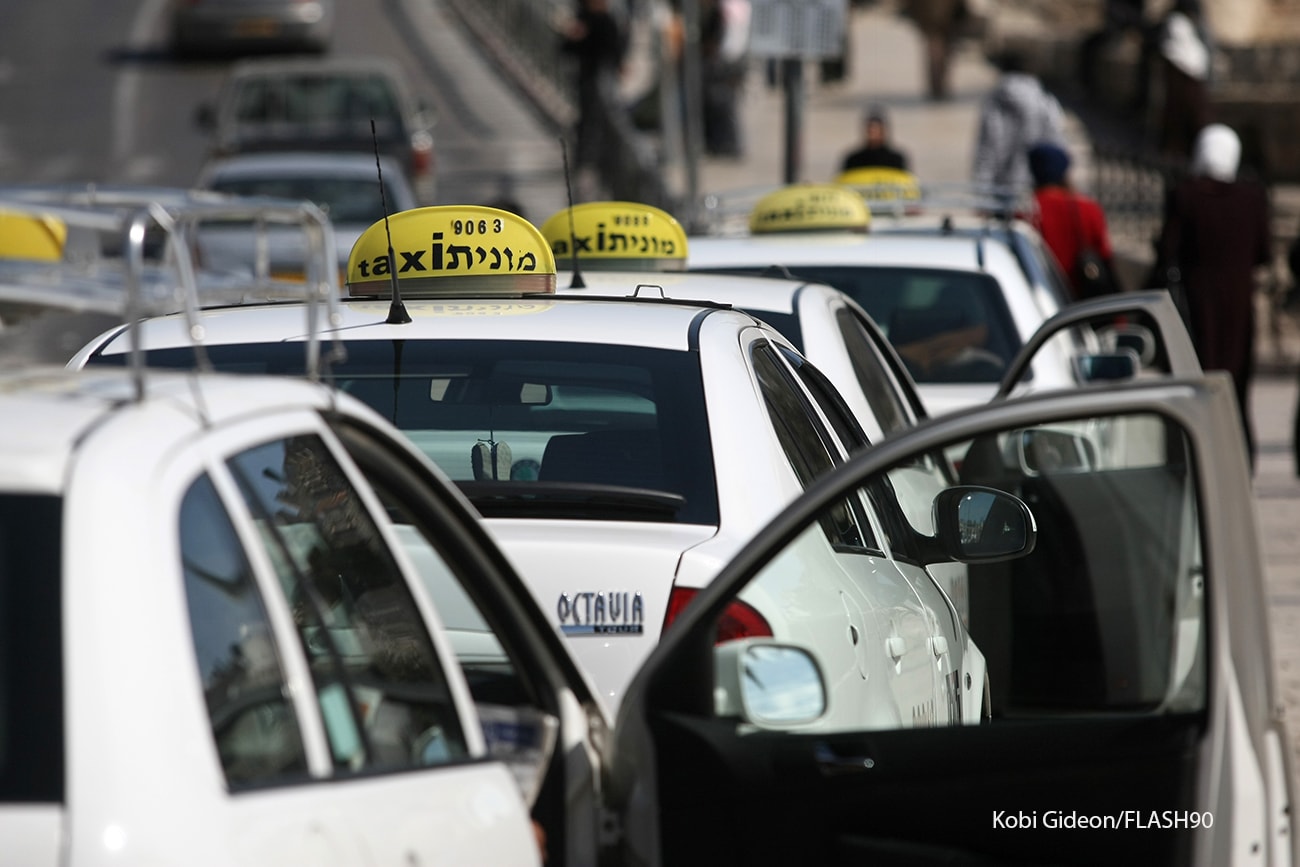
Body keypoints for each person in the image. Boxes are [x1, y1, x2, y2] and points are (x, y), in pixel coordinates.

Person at [1153, 123, 1270, 466]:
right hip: (1238, 310)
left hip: (1195, 309)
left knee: (1194, 387)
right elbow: (1263, 253)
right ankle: (1238, 460)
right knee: (1235, 389)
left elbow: (1167, 251)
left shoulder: (1185, 195)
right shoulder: (1252, 198)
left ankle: (1196, 461)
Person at [1026, 141, 1120, 301]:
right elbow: (1105, 257)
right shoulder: (1088, 209)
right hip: (1082, 300)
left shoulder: (1027, 212)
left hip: (1041, 299)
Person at [971, 51, 1066, 199]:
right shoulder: (1044, 101)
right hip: (1037, 188)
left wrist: (982, 189)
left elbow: (986, 147)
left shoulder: (994, 102)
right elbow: (1056, 143)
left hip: (1000, 187)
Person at [560, 0, 626, 172]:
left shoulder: (604, 19)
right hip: (589, 79)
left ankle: (595, 163)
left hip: (600, 78)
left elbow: (614, 47)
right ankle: (587, 162)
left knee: (599, 121)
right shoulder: (586, 19)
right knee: (591, 121)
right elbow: (567, 48)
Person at [1156, 0, 1212, 161]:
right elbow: (1179, 54)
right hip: (1182, 82)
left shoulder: (1190, 25)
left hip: (1192, 81)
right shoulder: (1176, 24)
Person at [901, 0, 966, 101]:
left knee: (938, 47)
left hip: (936, 16)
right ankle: (937, 87)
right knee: (938, 47)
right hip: (937, 16)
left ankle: (937, 87)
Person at [841, 105, 910, 172]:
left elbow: (906, 181)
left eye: (877, 130)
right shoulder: (854, 159)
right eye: (870, 130)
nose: (873, 134)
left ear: (884, 131)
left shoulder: (895, 159)